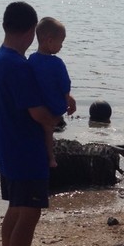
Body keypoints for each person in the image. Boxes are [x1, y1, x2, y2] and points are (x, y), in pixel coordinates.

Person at [0, 1, 59, 246]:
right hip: (25, 151)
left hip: (9, 147)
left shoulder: (1, 56)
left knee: (16, 210)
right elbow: (38, 114)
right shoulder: (18, 66)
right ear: (31, 31)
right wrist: (56, 117)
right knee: (29, 214)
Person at [28, 17, 76, 167]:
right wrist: (69, 99)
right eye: (60, 42)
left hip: (36, 105)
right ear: (49, 41)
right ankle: (51, 158)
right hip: (52, 106)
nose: (61, 46)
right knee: (48, 129)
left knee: (42, 130)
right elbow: (65, 85)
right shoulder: (57, 63)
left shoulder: (31, 59)